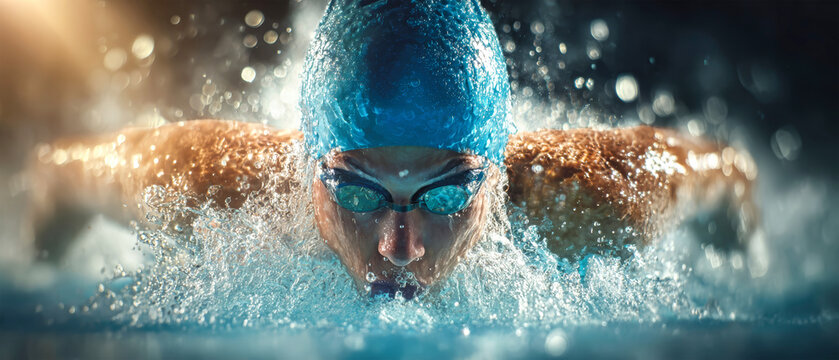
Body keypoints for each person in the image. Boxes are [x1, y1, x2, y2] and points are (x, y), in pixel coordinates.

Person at [23, 0, 757, 299]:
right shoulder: (204, 187)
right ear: (309, 172)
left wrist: (743, 277)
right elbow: (58, 177)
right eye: (354, 192)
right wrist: (41, 285)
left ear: (495, 180)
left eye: (443, 195)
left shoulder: (596, 197)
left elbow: (730, 177)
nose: (399, 245)